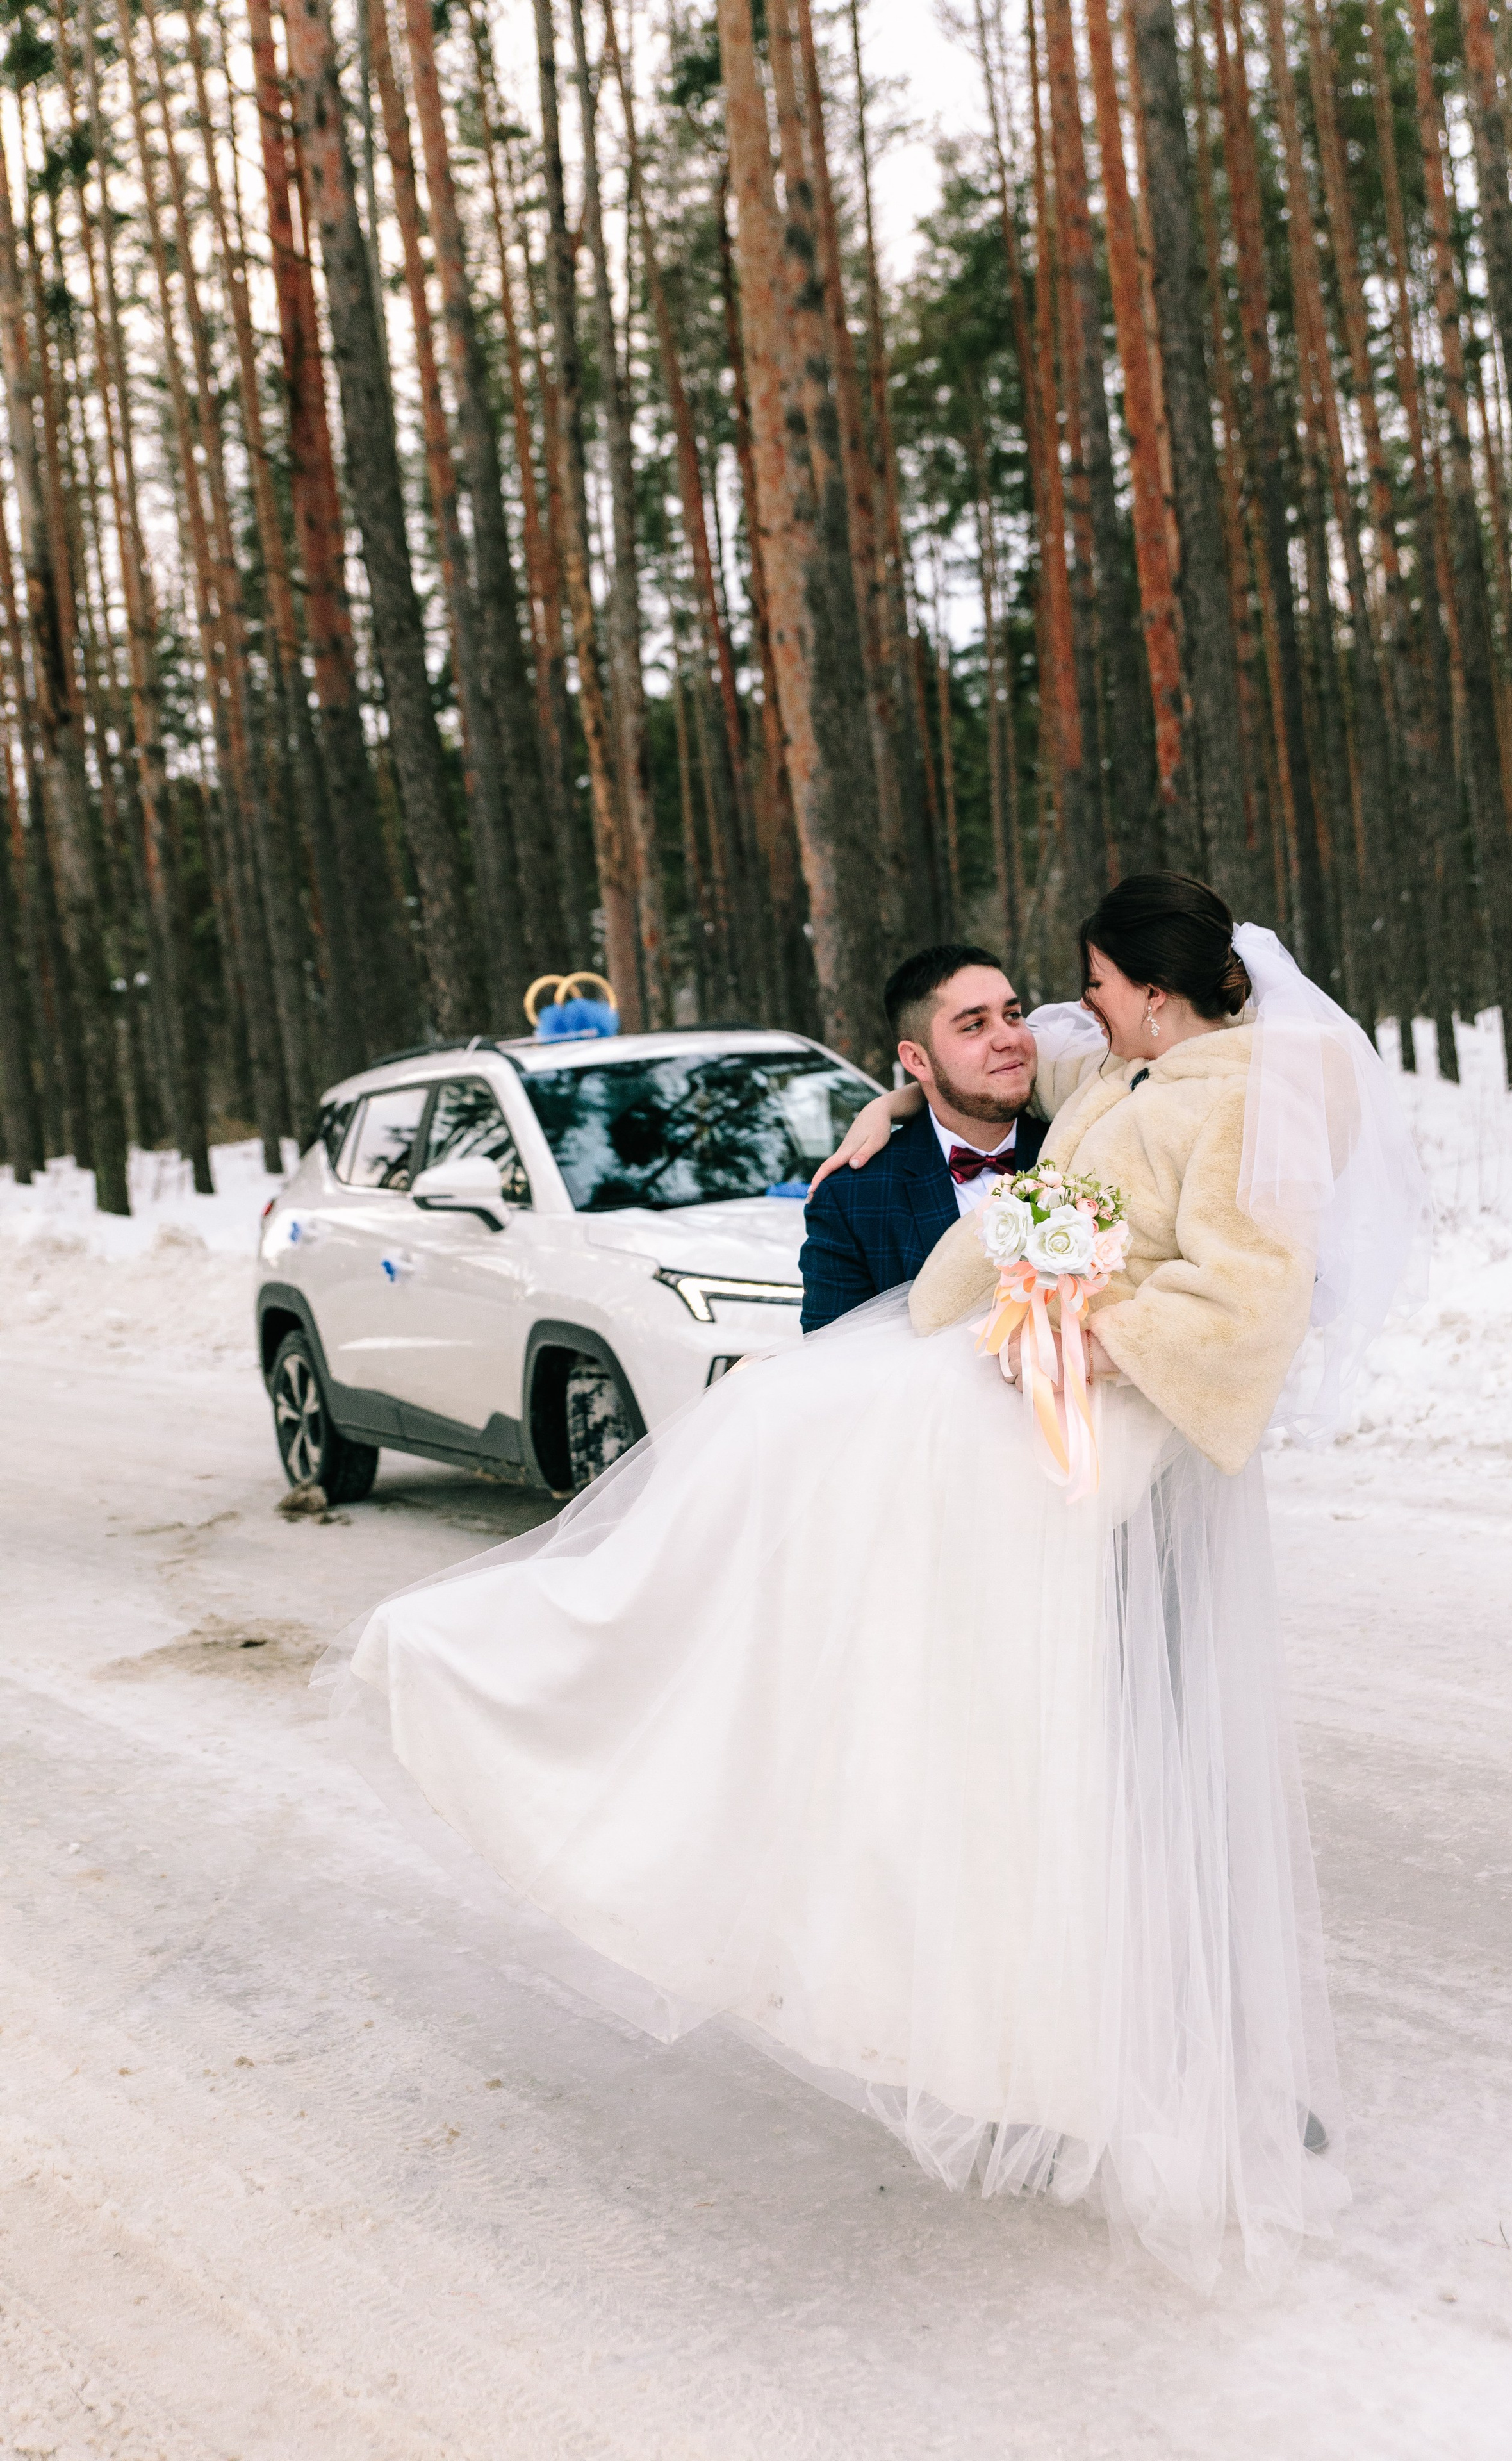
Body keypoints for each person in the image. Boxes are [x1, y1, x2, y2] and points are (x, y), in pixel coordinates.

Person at [325, 872, 1427, 2290]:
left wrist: (1089, 1331)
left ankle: (1208, 2080)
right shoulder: (1103, 1077)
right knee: (994, 1756)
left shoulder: (1234, 1095)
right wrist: (896, 1115)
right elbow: (999, 1068)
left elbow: (1242, 1300)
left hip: (1119, 1486)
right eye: (996, 1016)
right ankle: (1040, 2053)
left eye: (1087, 988)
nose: (1053, 1016)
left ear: (1148, 994)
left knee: (1156, 1784)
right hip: (1000, 1496)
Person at [799, 943, 1048, 1333]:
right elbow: (832, 1362)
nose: (1008, 1038)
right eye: (974, 1026)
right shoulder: (852, 1200)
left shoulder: (1077, 1149)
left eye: (1013, 1015)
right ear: (917, 1060)